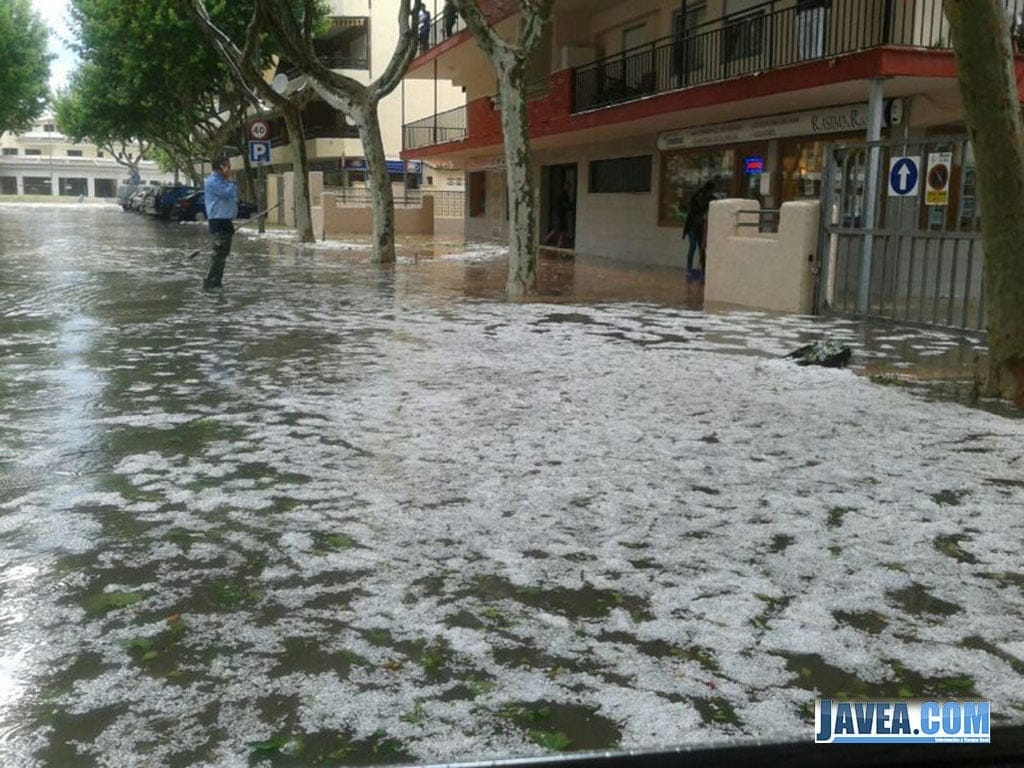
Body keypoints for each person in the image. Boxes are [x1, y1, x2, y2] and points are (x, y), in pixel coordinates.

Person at [203, 155, 238, 290]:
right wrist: (231, 182)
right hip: (219, 220)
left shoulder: (221, 181)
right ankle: (211, 282)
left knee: (222, 254)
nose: (230, 169)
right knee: (219, 254)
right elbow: (228, 193)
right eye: (228, 166)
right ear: (222, 167)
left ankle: (216, 281)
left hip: (225, 221)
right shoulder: (214, 181)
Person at [682, 180, 715, 282]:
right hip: (692, 227)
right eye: (711, 191)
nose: (712, 193)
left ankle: (703, 270)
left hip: (701, 228)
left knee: (702, 248)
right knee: (692, 247)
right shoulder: (698, 196)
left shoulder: (710, 198)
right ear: (707, 190)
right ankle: (689, 270)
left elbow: (713, 202)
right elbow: (700, 205)